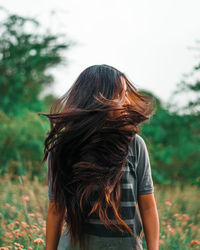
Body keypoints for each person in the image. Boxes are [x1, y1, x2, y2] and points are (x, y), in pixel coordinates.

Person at [41, 64, 160, 250]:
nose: (128, 101)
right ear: (98, 99)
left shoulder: (134, 144)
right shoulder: (63, 149)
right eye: (121, 94)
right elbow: (56, 210)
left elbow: (148, 207)